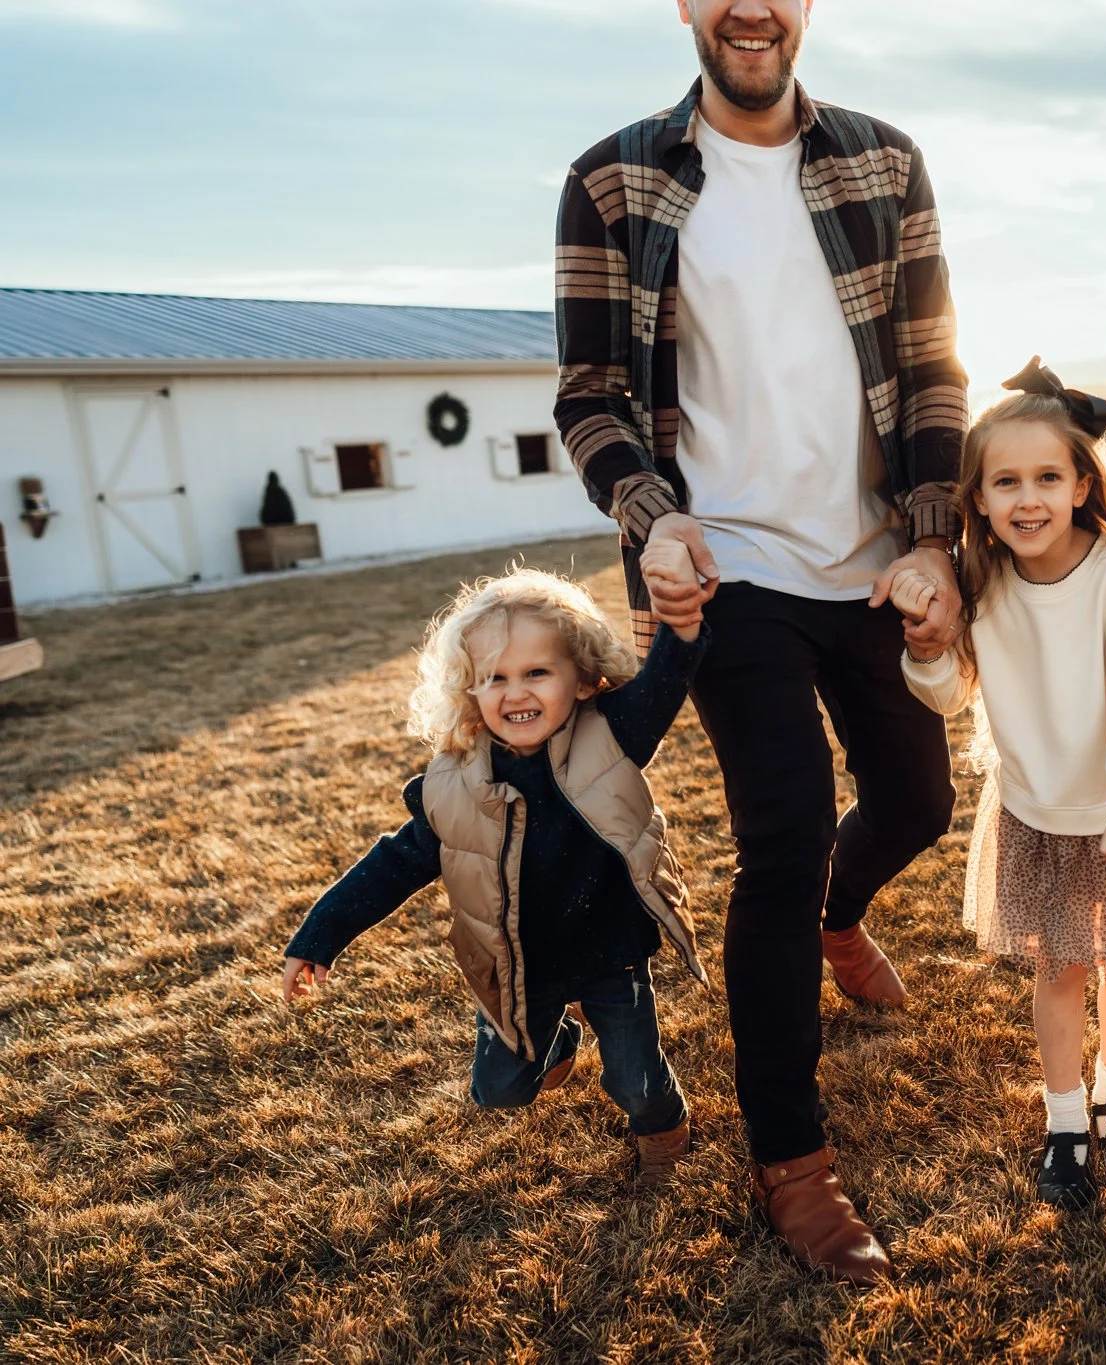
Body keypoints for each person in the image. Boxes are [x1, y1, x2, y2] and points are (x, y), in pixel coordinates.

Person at [552, 0, 967, 1283]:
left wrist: (936, 536)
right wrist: (652, 520)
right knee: (781, 836)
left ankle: (843, 923)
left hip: (872, 559)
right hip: (724, 572)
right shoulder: (614, 178)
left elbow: (934, 365)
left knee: (917, 795)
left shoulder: (883, 161)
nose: (751, 7)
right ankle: (791, 1163)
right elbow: (590, 395)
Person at [894, 360, 1106, 1210]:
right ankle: (1065, 1119)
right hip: (1039, 812)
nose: (1027, 498)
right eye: (1006, 481)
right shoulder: (982, 578)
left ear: (1081, 484)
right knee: (1061, 968)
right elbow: (947, 691)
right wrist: (928, 646)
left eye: (1047, 477)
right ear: (980, 498)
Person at [278, 568, 708, 1188]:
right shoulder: (453, 788)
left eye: (537, 672)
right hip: (517, 964)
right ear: (469, 690)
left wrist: (684, 627)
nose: (515, 692)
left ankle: (662, 1132)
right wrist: (319, 936)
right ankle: (557, 1042)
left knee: (635, 1079)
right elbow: (392, 865)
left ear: (583, 676)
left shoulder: (612, 734)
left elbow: (667, 682)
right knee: (499, 1090)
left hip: (611, 950)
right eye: (495, 678)